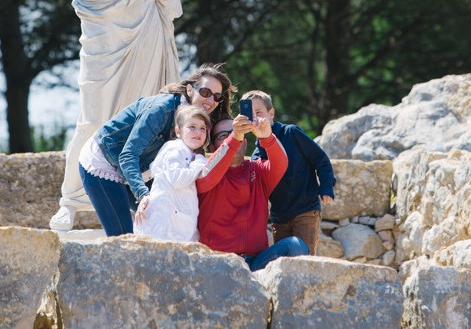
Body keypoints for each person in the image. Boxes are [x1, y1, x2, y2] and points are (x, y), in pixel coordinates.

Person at [50, 0, 183, 232]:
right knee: (93, 120)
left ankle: (138, 201)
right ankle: (71, 201)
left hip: (147, 35)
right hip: (102, 40)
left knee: (148, 124)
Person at [79, 64, 236, 236]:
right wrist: (142, 193)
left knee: (163, 220)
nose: (211, 100)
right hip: (103, 163)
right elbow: (128, 155)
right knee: (122, 237)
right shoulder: (162, 109)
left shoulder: (197, 120)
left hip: (136, 170)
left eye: (217, 97)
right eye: (205, 92)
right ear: (190, 90)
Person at [197, 114, 310, 271]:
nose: (233, 137)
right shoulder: (205, 171)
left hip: (257, 263)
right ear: (212, 147)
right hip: (219, 264)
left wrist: (267, 137)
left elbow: (281, 163)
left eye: (237, 133)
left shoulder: (258, 170)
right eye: (224, 135)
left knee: (296, 246)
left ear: (245, 143)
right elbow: (206, 179)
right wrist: (234, 137)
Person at [248, 90, 336, 255]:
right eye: (249, 114)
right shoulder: (257, 152)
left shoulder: (291, 133)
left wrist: (326, 187)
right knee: (284, 264)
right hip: (279, 218)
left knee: (304, 260)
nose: (255, 117)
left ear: (271, 113)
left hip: (305, 210)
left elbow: (321, 159)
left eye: (259, 112)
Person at [133, 105, 212, 242]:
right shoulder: (175, 150)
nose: (198, 132)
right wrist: (199, 162)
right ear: (178, 131)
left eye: (202, 128)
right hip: (164, 227)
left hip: (174, 225)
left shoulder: (186, 152)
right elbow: (177, 179)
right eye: (192, 127)